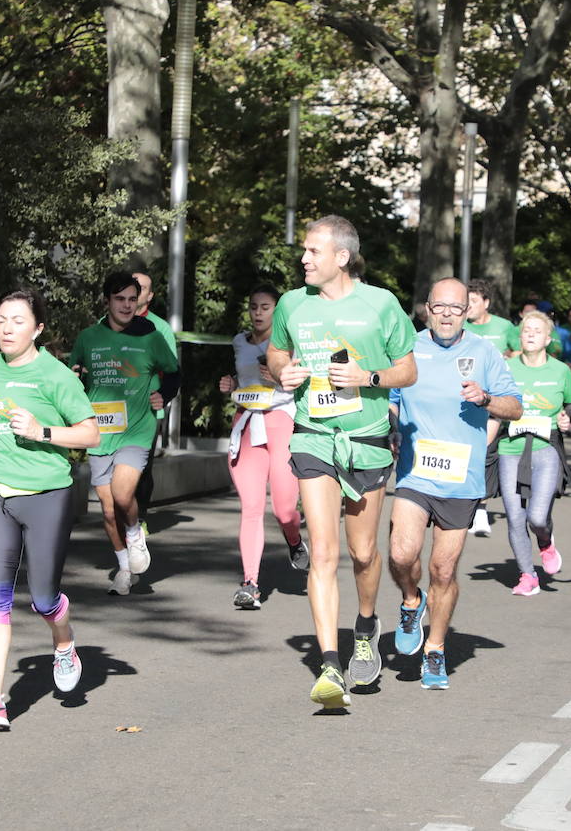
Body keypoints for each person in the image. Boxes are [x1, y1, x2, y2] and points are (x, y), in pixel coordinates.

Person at [266, 215, 416, 709]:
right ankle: (330, 663)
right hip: (313, 436)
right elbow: (275, 352)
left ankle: (367, 628)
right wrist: (283, 372)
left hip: (368, 440)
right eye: (305, 252)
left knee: (364, 554)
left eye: (313, 251)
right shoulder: (292, 303)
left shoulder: (381, 304)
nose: (304, 259)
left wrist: (365, 377)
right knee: (324, 552)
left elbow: (407, 369)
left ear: (342, 257)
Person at [0, 291, 100, 730]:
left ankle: (64, 641)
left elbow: (91, 434)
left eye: (17, 321)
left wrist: (43, 431)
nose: (6, 328)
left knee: (42, 598)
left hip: (46, 495)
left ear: (38, 328)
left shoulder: (54, 375)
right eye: (1, 319)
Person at [387, 278, 522, 689]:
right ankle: (412, 601)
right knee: (400, 553)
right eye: (439, 307)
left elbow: (514, 406)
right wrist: (395, 430)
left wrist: (485, 400)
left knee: (443, 570)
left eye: (456, 308)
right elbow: (391, 402)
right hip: (415, 471)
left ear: (469, 312)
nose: (447, 315)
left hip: (461, 477)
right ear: (427, 308)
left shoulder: (484, 351)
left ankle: (435, 649)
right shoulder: (408, 346)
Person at [69, 272, 181, 596]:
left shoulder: (150, 336)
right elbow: (74, 376)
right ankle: (123, 567)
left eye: (132, 299)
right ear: (107, 302)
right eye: (120, 299)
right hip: (100, 430)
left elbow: (174, 372)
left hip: (137, 427)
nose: (127, 305)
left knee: (122, 494)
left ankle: (134, 533)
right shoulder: (88, 337)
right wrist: (77, 376)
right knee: (106, 509)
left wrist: (165, 394)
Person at [217, 284, 306, 610]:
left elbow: (306, 382)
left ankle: (294, 539)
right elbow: (241, 381)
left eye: (265, 307)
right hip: (246, 424)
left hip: (282, 422)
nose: (257, 312)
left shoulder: (290, 344)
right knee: (252, 508)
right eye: (254, 306)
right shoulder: (240, 341)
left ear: (277, 311)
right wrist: (231, 385)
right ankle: (250, 584)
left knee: (284, 510)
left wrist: (282, 378)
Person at [499, 310, 571, 596]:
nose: (530, 334)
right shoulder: (505, 367)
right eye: (526, 330)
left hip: (546, 449)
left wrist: (567, 418)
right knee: (514, 516)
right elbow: (494, 404)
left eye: (536, 330)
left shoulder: (560, 370)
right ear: (520, 337)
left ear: (548, 338)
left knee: (537, 518)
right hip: (510, 449)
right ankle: (527, 575)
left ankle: (545, 542)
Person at [462, 279, 518, 535]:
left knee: (485, 449)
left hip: (493, 399)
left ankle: (481, 510)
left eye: (473, 301)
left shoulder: (504, 327)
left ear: (486, 303)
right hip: (465, 395)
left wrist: (507, 358)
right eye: (466, 301)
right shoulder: (461, 326)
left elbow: (520, 353)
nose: (468, 306)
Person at [131, 270, 177, 525]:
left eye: (142, 287)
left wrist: (162, 396)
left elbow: (173, 371)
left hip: (148, 410)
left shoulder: (161, 328)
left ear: (150, 296)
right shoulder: (106, 322)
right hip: (115, 409)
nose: (136, 290)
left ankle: (140, 517)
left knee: (142, 466)